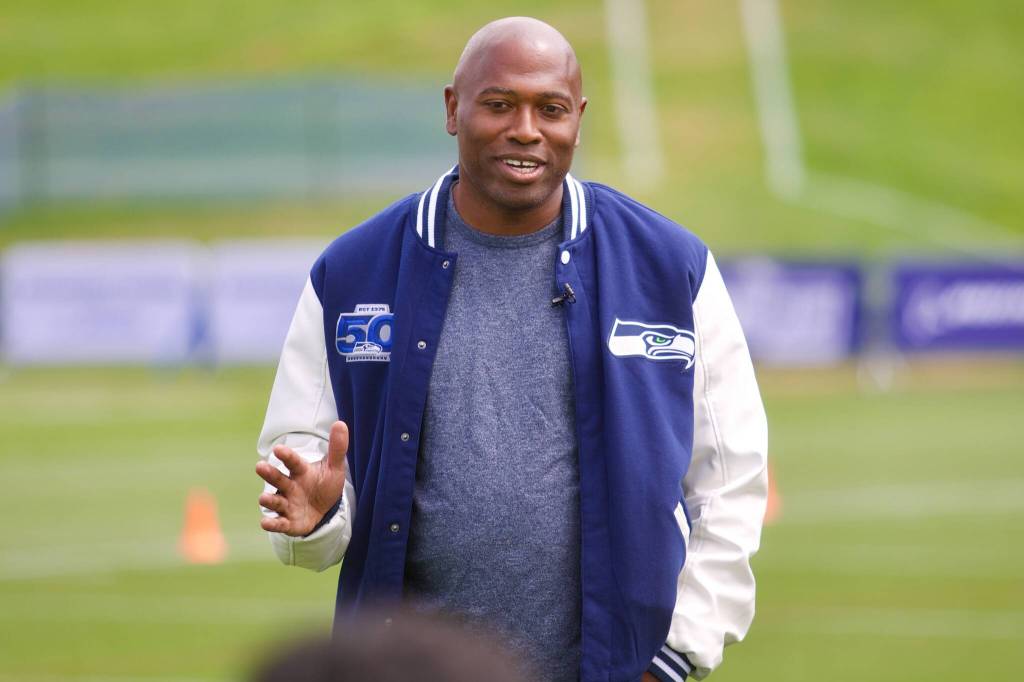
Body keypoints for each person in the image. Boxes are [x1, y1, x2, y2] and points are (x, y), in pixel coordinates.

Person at [255, 16, 767, 682]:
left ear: (577, 120)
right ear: (452, 109)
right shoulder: (354, 271)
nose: (526, 129)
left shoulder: (671, 268)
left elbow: (731, 483)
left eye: (549, 109)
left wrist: (672, 657)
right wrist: (319, 514)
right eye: (499, 104)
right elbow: (299, 478)